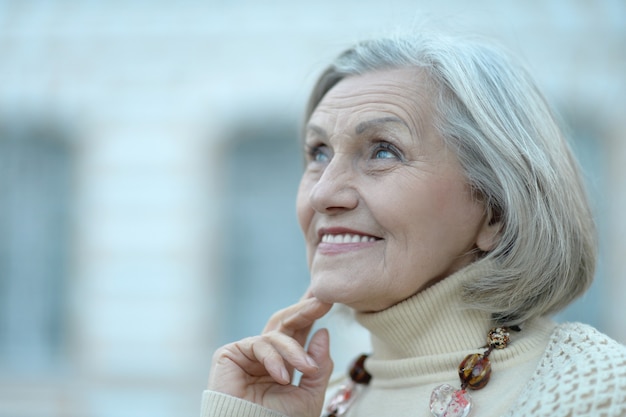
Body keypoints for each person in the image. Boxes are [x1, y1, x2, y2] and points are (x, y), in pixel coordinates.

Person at [202, 31, 626, 417]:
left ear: (496, 209)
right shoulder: (312, 400)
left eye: (383, 151)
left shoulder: (595, 391)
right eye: (319, 153)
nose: (322, 194)